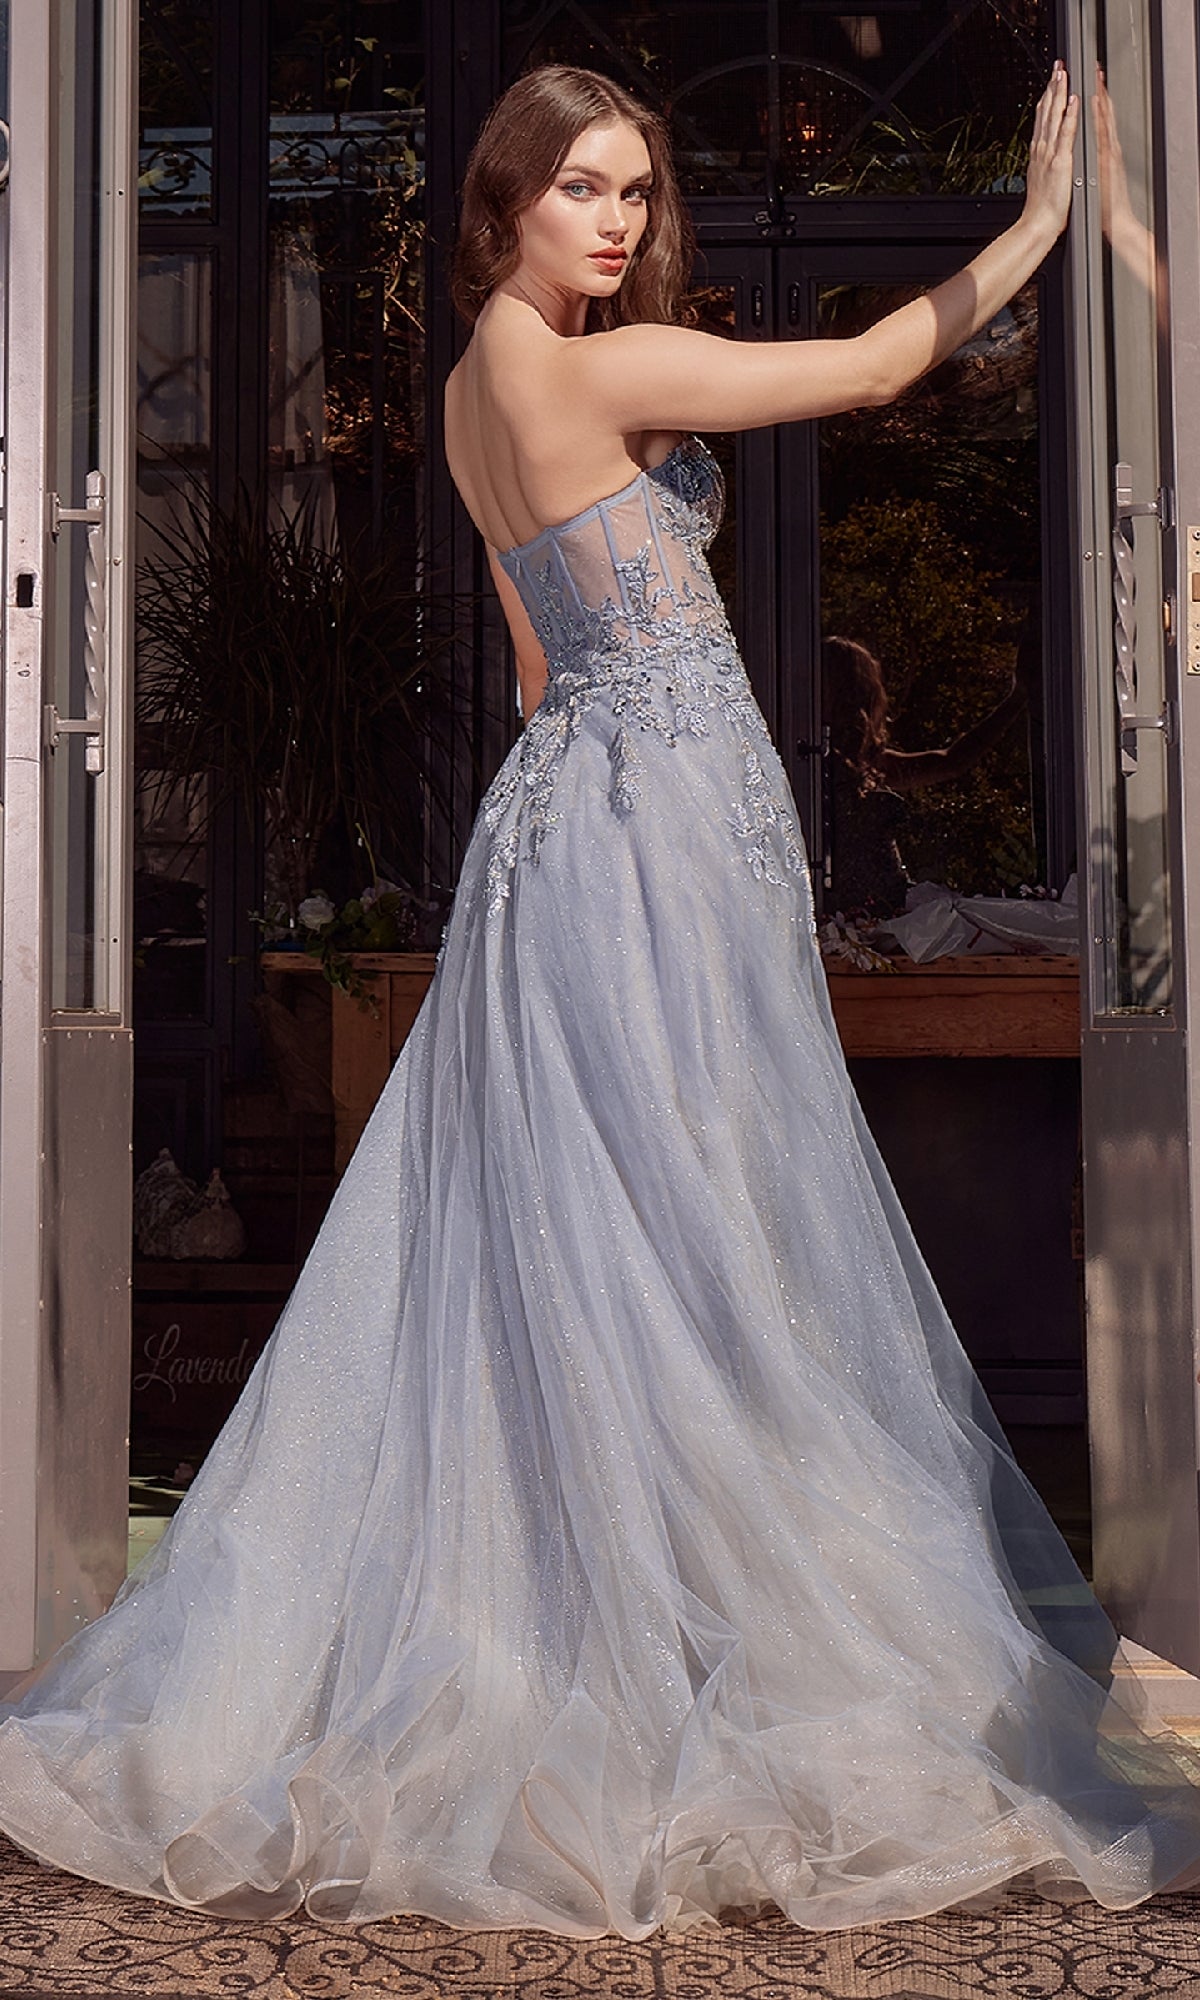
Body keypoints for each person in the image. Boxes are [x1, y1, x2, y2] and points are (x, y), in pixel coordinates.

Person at [3, 60, 1200, 1938]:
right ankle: (682, 1658)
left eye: (636, 188)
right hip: (642, 833)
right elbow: (876, 365)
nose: (620, 221)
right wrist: (1045, 228)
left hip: (573, 821)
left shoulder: (483, 385)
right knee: (697, 1243)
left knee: (591, 1241)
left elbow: (538, 656)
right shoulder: (587, 371)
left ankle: (604, 1630)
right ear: (504, 204)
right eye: (581, 189)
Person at [821, 633, 1032, 916]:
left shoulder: (871, 764)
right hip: (850, 921)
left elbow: (951, 762)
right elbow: (951, 762)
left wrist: (1016, 700)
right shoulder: (815, 767)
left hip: (882, 915)